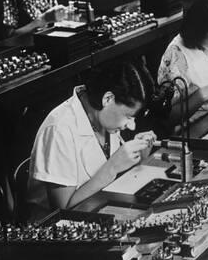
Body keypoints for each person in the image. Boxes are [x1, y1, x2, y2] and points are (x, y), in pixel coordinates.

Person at [25, 61, 157, 212]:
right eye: (128, 116)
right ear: (108, 99)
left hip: (99, 207)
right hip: (58, 226)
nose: (132, 126)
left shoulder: (103, 117)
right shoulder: (60, 129)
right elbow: (62, 209)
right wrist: (112, 167)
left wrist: (137, 157)